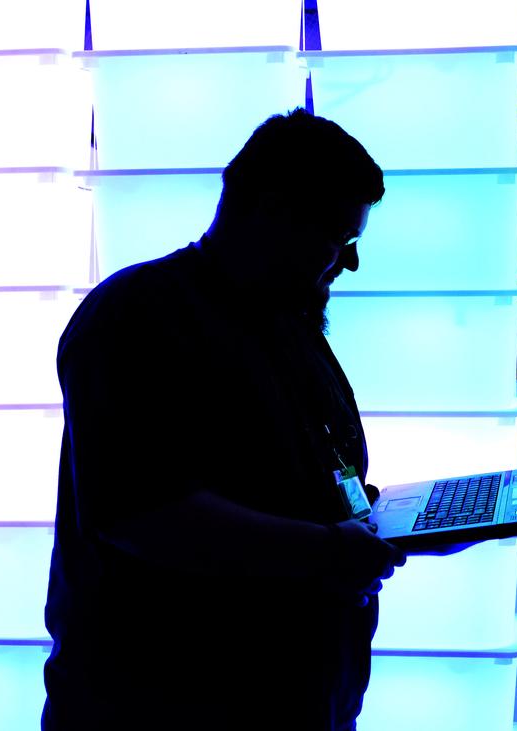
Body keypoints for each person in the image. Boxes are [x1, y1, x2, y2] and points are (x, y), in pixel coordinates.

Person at [44, 109, 407, 730]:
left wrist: (384, 524)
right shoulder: (134, 317)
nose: (348, 264)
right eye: (339, 238)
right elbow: (143, 515)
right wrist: (330, 550)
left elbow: (313, 473)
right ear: (272, 211)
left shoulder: (287, 321)